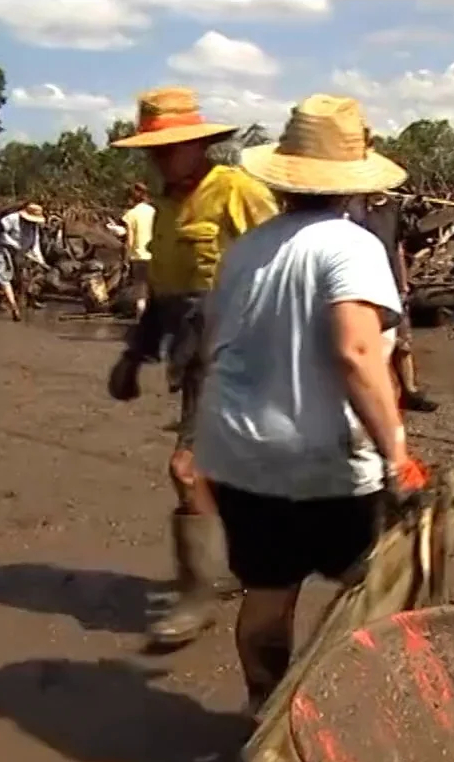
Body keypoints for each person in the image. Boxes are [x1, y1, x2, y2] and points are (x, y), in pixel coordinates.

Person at [194, 94, 430, 711]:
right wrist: (397, 454)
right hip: (318, 458)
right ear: (352, 183)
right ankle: (344, 713)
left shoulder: (244, 250)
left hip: (239, 452)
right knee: (370, 587)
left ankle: (262, 711)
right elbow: (357, 354)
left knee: (268, 594)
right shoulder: (350, 245)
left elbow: (215, 342)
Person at [107, 86, 279, 648]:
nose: (157, 159)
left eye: (167, 148)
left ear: (198, 144)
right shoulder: (164, 207)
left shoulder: (236, 190)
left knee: (188, 467)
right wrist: (135, 354)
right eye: (151, 150)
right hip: (197, 359)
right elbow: (164, 292)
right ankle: (236, 566)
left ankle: (197, 594)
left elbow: (286, 263)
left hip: (245, 352)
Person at [354, 190, 439, 413]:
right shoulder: (356, 209)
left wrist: (403, 281)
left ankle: (409, 390)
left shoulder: (391, 208)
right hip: (364, 279)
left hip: (389, 276)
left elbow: (397, 247)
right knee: (372, 341)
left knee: (403, 339)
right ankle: (373, 396)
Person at [1, 202, 48, 308]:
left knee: (34, 275)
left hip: (25, 251)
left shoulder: (34, 225)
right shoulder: (12, 219)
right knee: (12, 276)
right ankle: (5, 299)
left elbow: (35, 241)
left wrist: (39, 258)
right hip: (8, 249)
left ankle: (30, 299)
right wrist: (13, 244)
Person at [121, 183, 155, 317]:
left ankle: (141, 322)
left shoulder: (131, 214)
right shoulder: (153, 211)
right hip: (154, 255)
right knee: (153, 292)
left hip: (138, 256)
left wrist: (126, 258)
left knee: (140, 293)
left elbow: (130, 239)